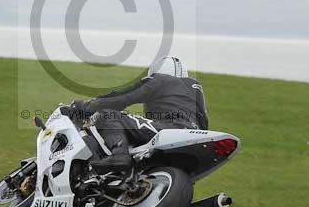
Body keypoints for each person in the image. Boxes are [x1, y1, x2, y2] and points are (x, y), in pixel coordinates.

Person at [70, 56, 209, 173]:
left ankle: (119, 155)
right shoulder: (195, 90)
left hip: (171, 129)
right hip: (196, 139)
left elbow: (124, 98)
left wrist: (87, 106)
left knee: (108, 114)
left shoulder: (160, 79)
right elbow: (204, 123)